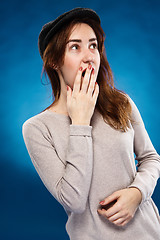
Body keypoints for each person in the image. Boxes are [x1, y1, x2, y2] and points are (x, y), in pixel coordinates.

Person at [22, 7, 160, 240]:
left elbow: (151, 158)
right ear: (54, 60)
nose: (89, 55)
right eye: (75, 46)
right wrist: (80, 122)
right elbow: (74, 201)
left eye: (93, 45)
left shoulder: (122, 103)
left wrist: (138, 193)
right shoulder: (37, 129)